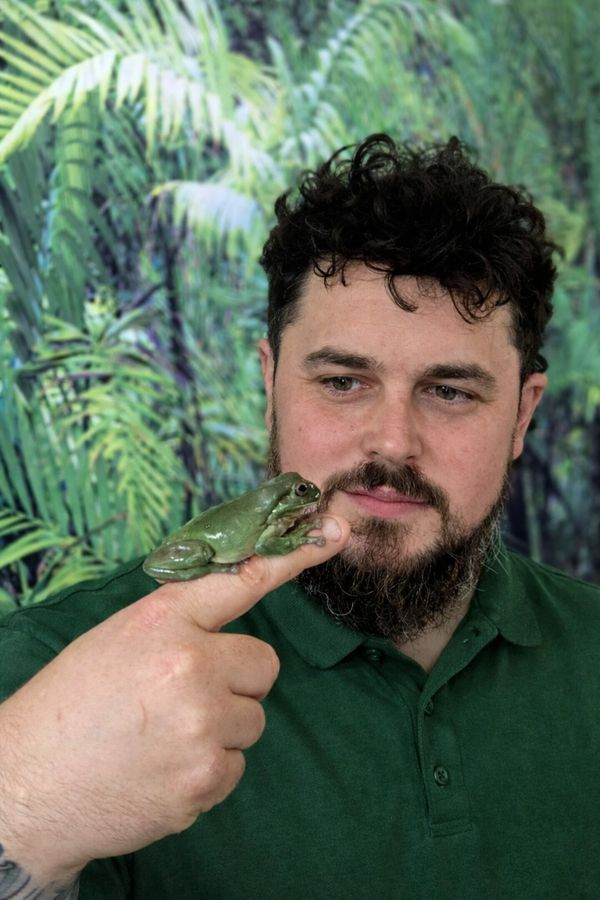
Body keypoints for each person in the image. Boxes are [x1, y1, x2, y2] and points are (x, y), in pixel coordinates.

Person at [0, 133, 598, 900]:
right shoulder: (52, 664)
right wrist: (26, 801)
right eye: (344, 381)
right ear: (270, 383)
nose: (392, 441)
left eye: (450, 392)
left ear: (522, 415)